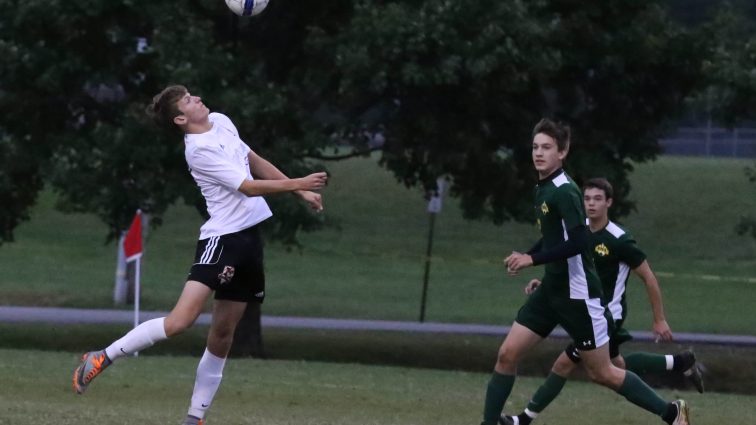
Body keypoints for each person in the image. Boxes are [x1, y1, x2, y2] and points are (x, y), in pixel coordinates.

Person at [72, 85, 328, 425]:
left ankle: (195, 417)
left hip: (250, 240)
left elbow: (253, 160)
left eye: (193, 95)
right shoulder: (198, 151)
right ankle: (102, 356)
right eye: (189, 101)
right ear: (180, 118)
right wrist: (299, 181)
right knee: (181, 321)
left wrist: (301, 193)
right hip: (222, 239)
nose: (197, 99)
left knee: (223, 334)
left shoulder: (221, 120)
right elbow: (247, 185)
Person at [481, 119, 689, 425]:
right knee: (507, 355)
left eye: (547, 148)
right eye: (536, 147)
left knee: (603, 372)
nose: (539, 153)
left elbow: (579, 242)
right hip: (552, 291)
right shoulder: (543, 189)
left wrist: (532, 260)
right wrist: (529, 254)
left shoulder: (565, 192)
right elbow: (556, 237)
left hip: (578, 297)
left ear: (562, 152)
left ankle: (672, 413)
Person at [501, 177, 703, 425]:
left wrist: (659, 319)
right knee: (616, 367)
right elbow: (574, 271)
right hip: (585, 310)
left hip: (607, 316)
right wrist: (545, 284)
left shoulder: (619, 239)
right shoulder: (578, 232)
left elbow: (649, 278)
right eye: (586, 198)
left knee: (566, 364)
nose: (591, 204)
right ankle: (681, 363)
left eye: (598, 199)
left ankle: (523, 419)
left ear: (609, 202)